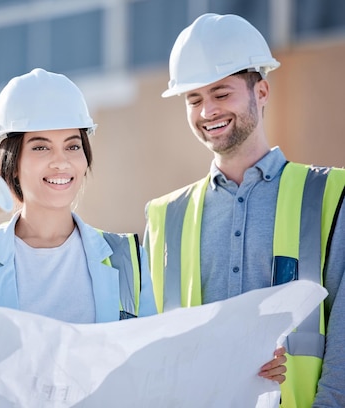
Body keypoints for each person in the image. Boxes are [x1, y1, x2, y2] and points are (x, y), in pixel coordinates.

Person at [0, 68, 286, 385]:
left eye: (73, 145)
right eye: (41, 147)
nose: (61, 162)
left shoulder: (128, 257)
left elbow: (160, 365)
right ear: (12, 161)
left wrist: (244, 363)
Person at [144, 13, 345, 407]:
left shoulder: (330, 193)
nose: (207, 112)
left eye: (221, 94)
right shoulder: (164, 218)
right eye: (194, 99)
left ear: (263, 92)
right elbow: (156, 346)